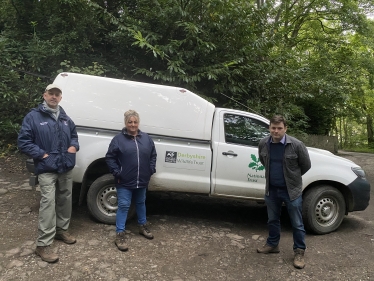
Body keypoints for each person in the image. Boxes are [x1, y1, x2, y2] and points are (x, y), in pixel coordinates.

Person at [18, 84, 79, 263]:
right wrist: (42, 155)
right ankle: (43, 244)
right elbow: (24, 142)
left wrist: (74, 146)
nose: (53, 97)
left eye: (57, 94)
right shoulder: (33, 117)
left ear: (60, 97)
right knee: (47, 203)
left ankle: (61, 231)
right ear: (44, 95)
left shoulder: (65, 117)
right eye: (50, 94)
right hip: (46, 167)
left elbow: (74, 135)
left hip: (65, 166)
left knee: (66, 198)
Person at [257, 115, 311, 269]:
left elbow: (306, 165)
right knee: (272, 220)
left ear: (285, 128)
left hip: (291, 191)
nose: (276, 131)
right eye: (273, 128)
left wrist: (292, 179)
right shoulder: (263, 144)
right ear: (269, 128)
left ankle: (299, 251)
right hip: (272, 190)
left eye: (279, 128)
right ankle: (272, 245)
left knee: (297, 223)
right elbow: (262, 160)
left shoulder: (296, 145)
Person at [105, 109, 157, 251]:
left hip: (142, 180)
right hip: (124, 181)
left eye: (135, 122)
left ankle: (142, 226)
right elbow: (110, 157)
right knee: (124, 205)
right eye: (130, 122)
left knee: (141, 202)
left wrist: (151, 169)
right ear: (125, 123)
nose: (133, 124)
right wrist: (117, 172)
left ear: (138, 123)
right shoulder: (118, 139)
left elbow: (153, 155)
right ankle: (120, 234)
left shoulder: (146, 138)